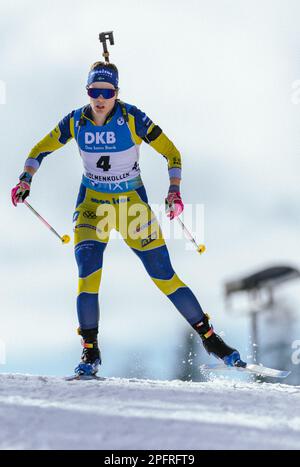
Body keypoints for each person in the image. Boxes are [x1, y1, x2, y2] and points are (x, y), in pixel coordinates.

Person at [11, 61, 244, 377]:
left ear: (116, 93)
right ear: (88, 92)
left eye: (107, 92)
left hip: (131, 207)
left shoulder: (132, 118)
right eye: (95, 91)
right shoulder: (75, 122)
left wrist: (174, 190)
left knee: (163, 275)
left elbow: (171, 152)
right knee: (88, 274)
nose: (100, 98)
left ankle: (211, 339)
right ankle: (90, 352)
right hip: (93, 206)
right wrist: (26, 179)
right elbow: (40, 149)